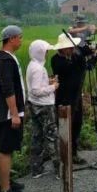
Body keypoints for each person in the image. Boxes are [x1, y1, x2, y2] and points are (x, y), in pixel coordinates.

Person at [0, 25, 27, 192]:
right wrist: (13, 113)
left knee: (9, 147)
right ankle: (4, 190)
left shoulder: (6, 58)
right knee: (5, 149)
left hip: (11, 111)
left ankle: (7, 181)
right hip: (8, 113)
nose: (21, 40)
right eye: (19, 37)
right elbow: (7, 88)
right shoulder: (4, 61)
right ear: (11, 39)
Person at [51, 33, 88, 165]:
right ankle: (63, 156)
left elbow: (84, 68)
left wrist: (94, 54)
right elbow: (68, 68)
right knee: (65, 127)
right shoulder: (56, 60)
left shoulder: (74, 58)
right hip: (64, 99)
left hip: (76, 97)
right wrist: (81, 55)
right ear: (62, 48)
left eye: (73, 47)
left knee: (77, 124)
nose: (72, 49)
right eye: (69, 47)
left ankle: (73, 154)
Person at [25, 39, 60, 178]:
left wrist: (47, 82)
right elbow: (36, 90)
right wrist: (53, 87)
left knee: (37, 136)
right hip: (44, 106)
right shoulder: (38, 69)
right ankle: (59, 170)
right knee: (52, 137)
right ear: (39, 52)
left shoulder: (32, 65)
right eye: (45, 51)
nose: (46, 54)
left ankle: (36, 169)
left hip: (34, 105)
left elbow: (36, 87)